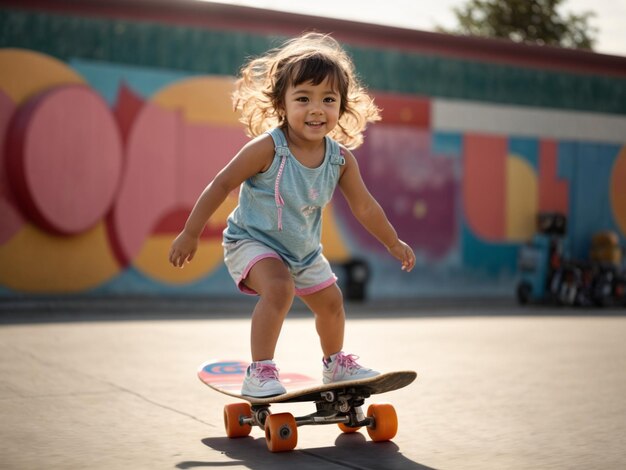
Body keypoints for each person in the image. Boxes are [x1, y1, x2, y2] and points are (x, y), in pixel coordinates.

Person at [169, 32, 415, 397]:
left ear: (341, 107)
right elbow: (221, 185)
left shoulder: (340, 159)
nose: (316, 109)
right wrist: (191, 231)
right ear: (282, 104)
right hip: (251, 242)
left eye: (328, 99)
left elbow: (365, 206)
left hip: (302, 251)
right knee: (279, 289)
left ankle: (335, 366)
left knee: (332, 302)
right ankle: (260, 371)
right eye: (303, 98)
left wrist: (392, 242)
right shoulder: (268, 148)